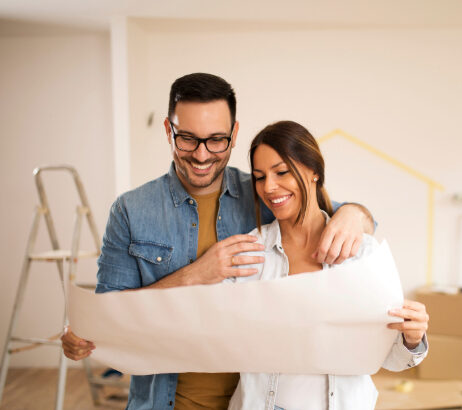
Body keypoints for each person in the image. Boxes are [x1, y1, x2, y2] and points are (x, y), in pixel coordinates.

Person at [61, 73, 376, 410]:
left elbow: (326, 213)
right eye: (187, 138)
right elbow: (108, 316)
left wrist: (356, 214)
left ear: (234, 134)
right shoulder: (131, 210)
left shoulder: (263, 194)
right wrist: (194, 276)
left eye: (216, 140)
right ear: (168, 130)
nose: (201, 155)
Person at [227, 120, 429, 410]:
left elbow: (391, 359)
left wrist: (412, 337)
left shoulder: (363, 254)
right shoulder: (249, 252)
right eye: (259, 177)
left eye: (282, 172)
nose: (269, 187)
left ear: (314, 172)